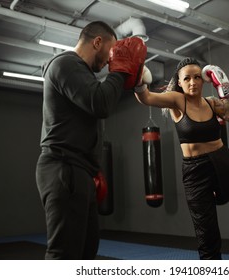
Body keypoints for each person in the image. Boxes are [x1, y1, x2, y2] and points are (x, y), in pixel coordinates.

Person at [35, 21, 147, 259]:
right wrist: (121, 69)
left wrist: (92, 169)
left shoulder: (82, 73)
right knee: (64, 254)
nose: (110, 59)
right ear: (97, 42)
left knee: (86, 251)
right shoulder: (65, 63)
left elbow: (95, 105)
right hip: (63, 168)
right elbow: (101, 103)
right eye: (111, 51)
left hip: (78, 170)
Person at [134, 57, 229, 260]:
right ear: (179, 82)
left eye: (197, 77)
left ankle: (219, 193)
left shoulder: (211, 102)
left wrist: (223, 85)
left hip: (222, 162)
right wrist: (138, 82)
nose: (193, 82)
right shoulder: (177, 101)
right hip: (196, 171)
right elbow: (147, 98)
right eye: (187, 79)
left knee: (223, 199)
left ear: (204, 79)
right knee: (207, 230)